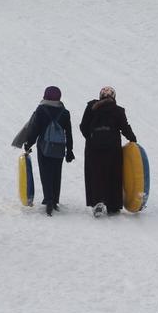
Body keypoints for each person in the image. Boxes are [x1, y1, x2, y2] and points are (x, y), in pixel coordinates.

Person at [80, 86, 137, 217]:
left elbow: (83, 126)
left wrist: (90, 138)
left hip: (93, 149)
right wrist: (133, 140)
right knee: (113, 174)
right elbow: (125, 127)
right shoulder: (118, 110)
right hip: (113, 148)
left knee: (95, 174)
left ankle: (97, 201)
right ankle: (113, 205)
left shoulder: (91, 107)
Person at [22, 86, 75, 215]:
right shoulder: (65, 112)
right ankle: (55, 199)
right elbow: (68, 133)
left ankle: (49, 199)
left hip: (44, 147)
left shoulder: (41, 109)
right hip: (59, 148)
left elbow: (35, 129)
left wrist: (29, 144)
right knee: (57, 172)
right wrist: (70, 150)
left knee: (45, 173)